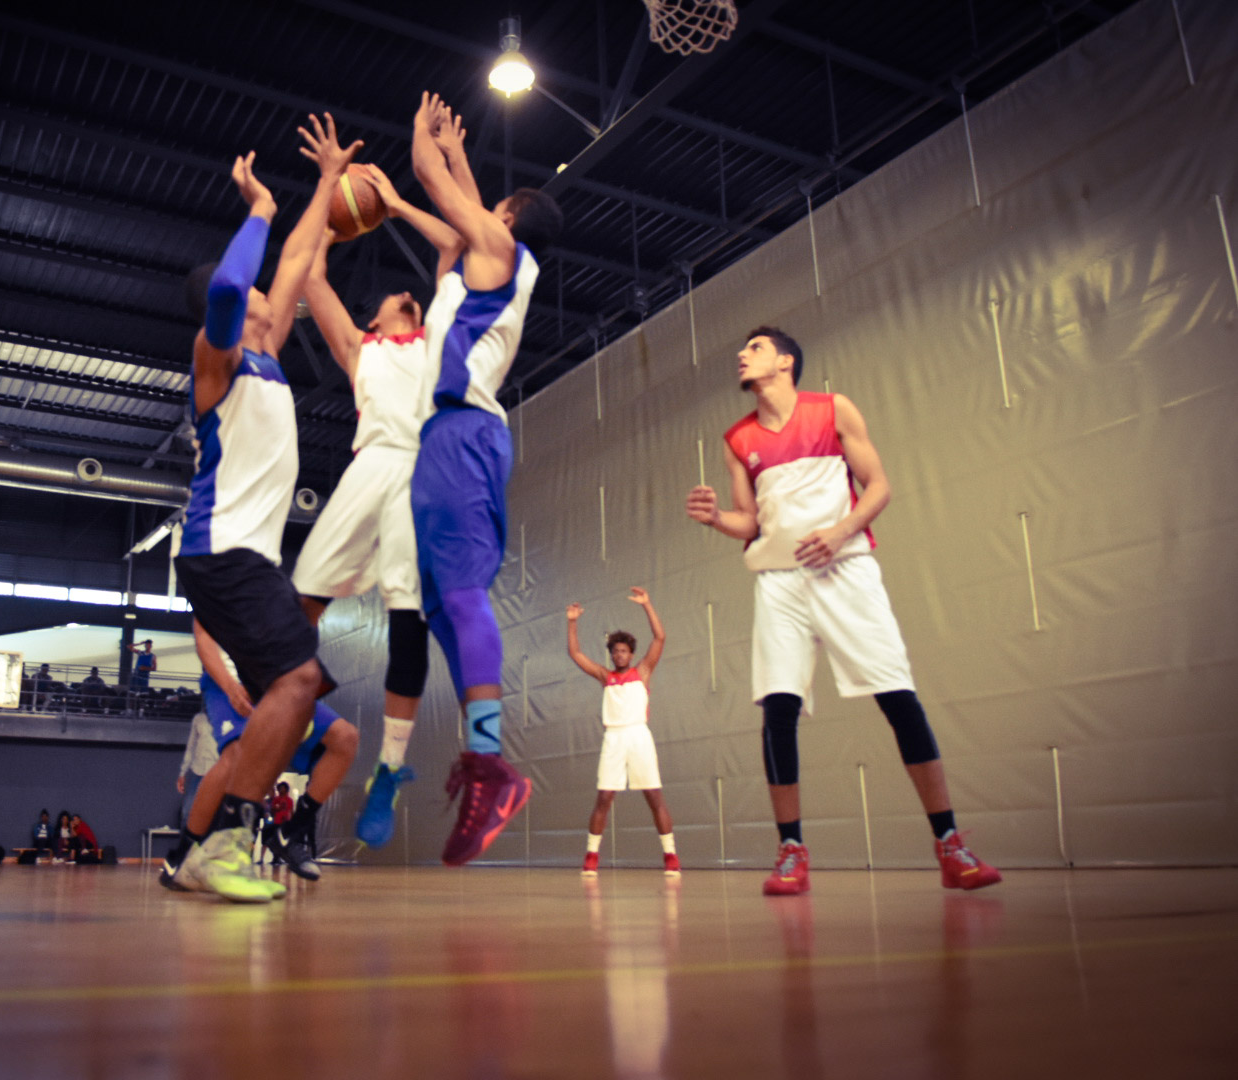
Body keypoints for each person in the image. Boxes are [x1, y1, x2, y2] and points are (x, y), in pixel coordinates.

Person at [685, 326, 1002, 896]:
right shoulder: (737, 439)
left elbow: (878, 485)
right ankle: (791, 850)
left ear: (785, 362)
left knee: (897, 697)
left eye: (755, 348)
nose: (741, 354)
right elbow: (749, 522)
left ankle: (950, 843)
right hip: (780, 582)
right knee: (777, 709)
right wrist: (714, 519)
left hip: (846, 569)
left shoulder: (834, 410)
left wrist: (840, 531)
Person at [167, 114, 358, 903]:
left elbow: (301, 261)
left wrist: (323, 185)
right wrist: (260, 208)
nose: (267, 299)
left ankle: (199, 851)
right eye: (255, 293)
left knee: (288, 695)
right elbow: (228, 284)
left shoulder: (269, 352)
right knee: (302, 680)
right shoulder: (216, 358)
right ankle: (232, 840)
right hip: (225, 551)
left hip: (240, 558)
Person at [406, 93, 563, 866]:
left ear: (505, 218)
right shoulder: (486, 264)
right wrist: (445, 166)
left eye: (492, 208)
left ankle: (493, 762)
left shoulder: (498, 249)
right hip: (442, 439)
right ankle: (482, 757)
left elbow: (447, 195)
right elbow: (451, 210)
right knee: (440, 607)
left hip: (464, 432)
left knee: (464, 596)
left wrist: (422, 144)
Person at [292, 164, 463, 850]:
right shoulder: (360, 347)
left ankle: (388, 768)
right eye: (394, 296)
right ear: (374, 320)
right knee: (299, 606)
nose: (405, 290)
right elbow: (307, 278)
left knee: (407, 622)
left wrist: (390, 203)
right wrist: (331, 223)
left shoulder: (436, 337)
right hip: (369, 472)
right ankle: (286, 711)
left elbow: (451, 244)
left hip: (422, 477)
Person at [163, 622, 358, 886]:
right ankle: (181, 856)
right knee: (236, 754)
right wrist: (232, 688)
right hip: (227, 684)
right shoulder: (214, 582)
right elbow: (204, 640)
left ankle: (288, 834)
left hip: (275, 683)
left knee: (344, 738)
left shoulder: (280, 585)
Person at [566, 588, 679, 876]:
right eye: (615, 651)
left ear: (631, 654)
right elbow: (575, 653)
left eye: (624, 651)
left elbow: (660, 638)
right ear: (611, 655)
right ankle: (592, 856)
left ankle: (670, 856)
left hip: (639, 736)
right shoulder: (605, 677)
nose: (619, 655)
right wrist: (572, 621)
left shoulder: (642, 672)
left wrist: (647, 605)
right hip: (613, 738)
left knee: (654, 797)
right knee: (603, 798)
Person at [175, 704, 219, 830]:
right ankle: (187, 846)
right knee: (187, 811)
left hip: (216, 772)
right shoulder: (198, 718)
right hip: (197, 770)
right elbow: (191, 747)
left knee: (216, 813)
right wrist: (183, 773)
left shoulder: (225, 717)